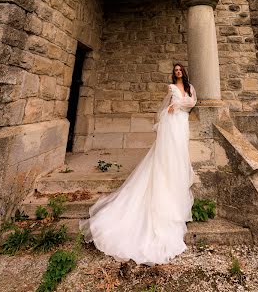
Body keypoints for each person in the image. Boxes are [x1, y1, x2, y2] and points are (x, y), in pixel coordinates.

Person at [79, 63, 197, 265]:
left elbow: (193, 103)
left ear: (184, 72)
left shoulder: (190, 88)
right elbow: (164, 108)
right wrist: (171, 108)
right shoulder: (170, 88)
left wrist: (181, 105)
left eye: (180, 70)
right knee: (167, 157)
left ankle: (175, 187)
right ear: (174, 73)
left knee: (179, 157)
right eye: (175, 70)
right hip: (172, 123)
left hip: (182, 123)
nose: (178, 72)